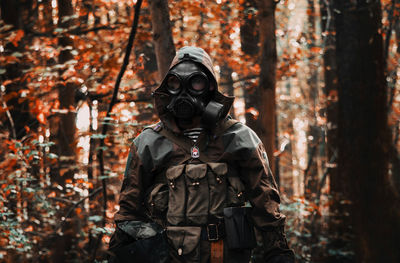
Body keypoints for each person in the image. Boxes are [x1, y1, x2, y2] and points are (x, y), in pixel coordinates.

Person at [108, 46, 294, 263]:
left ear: (211, 87)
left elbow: (266, 205)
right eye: (175, 83)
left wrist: (278, 253)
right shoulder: (148, 143)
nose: (184, 91)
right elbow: (128, 214)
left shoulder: (240, 138)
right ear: (167, 88)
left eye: (196, 82)